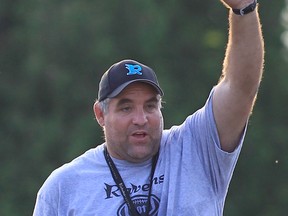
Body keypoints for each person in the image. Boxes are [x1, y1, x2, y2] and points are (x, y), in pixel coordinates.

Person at [33, 0, 264, 215]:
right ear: (100, 114)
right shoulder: (63, 188)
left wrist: (243, 7)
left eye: (150, 106)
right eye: (126, 108)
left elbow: (239, 88)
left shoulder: (195, 149)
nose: (141, 119)